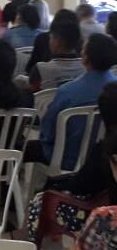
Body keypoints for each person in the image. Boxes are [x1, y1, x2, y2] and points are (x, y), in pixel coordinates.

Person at [35, 34, 117, 170]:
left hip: (67, 159)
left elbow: (48, 133)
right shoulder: (113, 88)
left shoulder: (67, 92)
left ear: (85, 58)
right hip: (107, 158)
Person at [28, 19, 85, 92]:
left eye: (50, 38)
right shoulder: (86, 67)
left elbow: (34, 96)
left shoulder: (40, 69)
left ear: (57, 41)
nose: (49, 42)